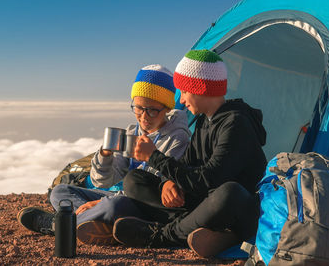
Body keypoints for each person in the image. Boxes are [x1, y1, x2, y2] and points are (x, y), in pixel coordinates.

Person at [112, 50, 267, 258]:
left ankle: (163, 236)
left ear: (200, 88)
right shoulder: (205, 120)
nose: (182, 100)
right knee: (134, 180)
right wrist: (168, 181)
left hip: (233, 209)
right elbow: (188, 163)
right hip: (203, 202)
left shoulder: (236, 124)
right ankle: (202, 231)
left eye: (184, 91)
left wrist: (154, 157)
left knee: (229, 192)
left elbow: (207, 179)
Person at [17, 64, 191, 245]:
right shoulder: (133, 133)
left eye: (152, 110)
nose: (143, 116)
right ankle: (103, 226)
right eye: (138, 108)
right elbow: (103, 182)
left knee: (113, 206)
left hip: (145, 206)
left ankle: (59, 225)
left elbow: (151, 188)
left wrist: (102, 203)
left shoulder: (177, 138)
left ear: (168, 108)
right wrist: (105, 155)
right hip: (118, 198)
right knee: (60, 191)